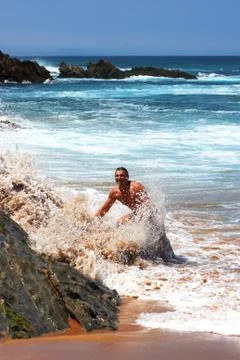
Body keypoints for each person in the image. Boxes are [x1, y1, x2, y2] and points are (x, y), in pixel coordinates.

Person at [95, 167, 181, 262]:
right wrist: (93, 221)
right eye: (117, 176)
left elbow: (148, 204)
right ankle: (133, 252)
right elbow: (104, 209)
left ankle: (172, 259)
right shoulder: (115, 193)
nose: (120, 177)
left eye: (122, 175)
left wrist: (141, 219)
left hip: (150, 213)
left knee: (161, 238)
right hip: (137, 213)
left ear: (127, 177)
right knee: (120, 222)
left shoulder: (136, 187)